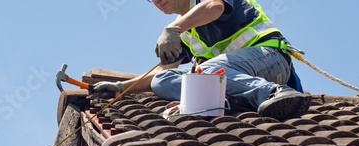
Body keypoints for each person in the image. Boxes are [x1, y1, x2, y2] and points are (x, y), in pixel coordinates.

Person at [93, 0, 311, 121]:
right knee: (161, 81)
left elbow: (214, 6)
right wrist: (121, 87)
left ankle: (274, 93)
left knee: (207, 70)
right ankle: (230, 101)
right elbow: (162, 71)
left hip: (271, 60)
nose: (156, 1)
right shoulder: (187, 33)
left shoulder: (198, 12)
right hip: (228, 75)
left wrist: (174, 29)